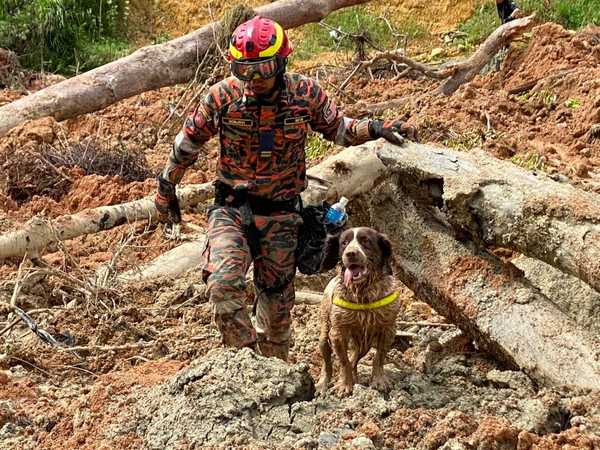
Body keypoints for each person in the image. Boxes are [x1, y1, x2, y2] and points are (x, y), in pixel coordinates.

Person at [154, 16, 416, 361]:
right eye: (243, 69)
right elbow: (187, 143)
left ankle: (275, 371)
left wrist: (376, 127)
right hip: (232, 209)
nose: (252, 79)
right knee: (222, 285)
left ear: (281, 62)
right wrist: (166, 188)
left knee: (276, 304)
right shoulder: (222, 97)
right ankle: (245, 364)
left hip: (281, 214)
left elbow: (339, 128)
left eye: (262, 68)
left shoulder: (304, 94)